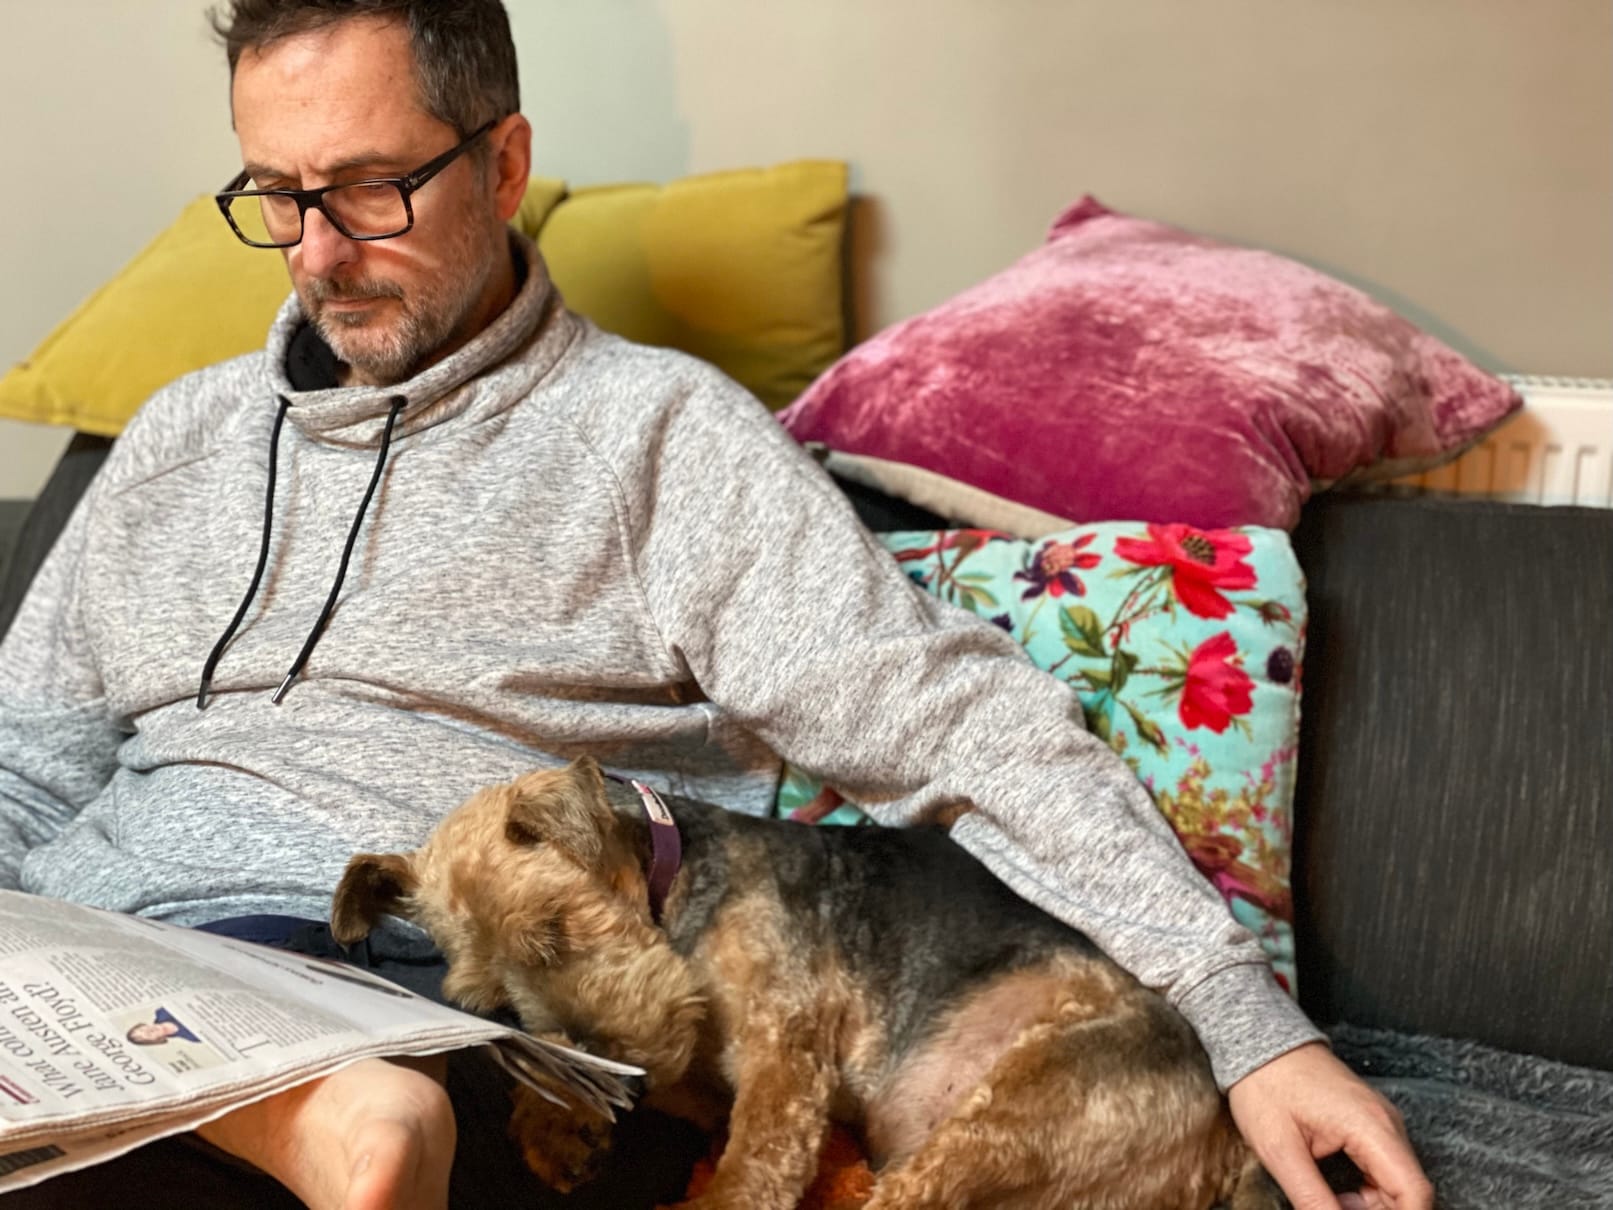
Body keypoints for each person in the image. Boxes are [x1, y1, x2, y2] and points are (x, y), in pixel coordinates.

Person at [0, 2, 1433, 1208]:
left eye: (369, 190)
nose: (316, 252)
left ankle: (330, 1113)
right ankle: (285, 1111)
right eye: (277, 194)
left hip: (436, 979)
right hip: (102, 954)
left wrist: (1249, 1030)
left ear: (502, 164)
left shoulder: (658, 436)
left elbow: (950, 721)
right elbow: (22, 766)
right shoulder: (177, 439)